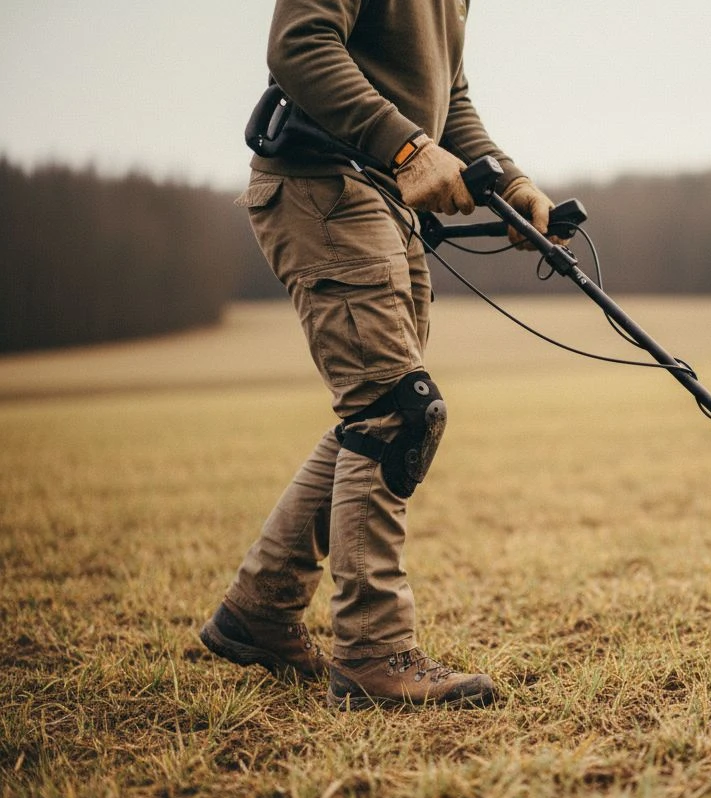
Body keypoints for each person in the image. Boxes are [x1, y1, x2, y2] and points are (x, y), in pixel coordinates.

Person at [200, 0, 557, 709]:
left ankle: (259, 609)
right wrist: (407, 148)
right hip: (322, 185)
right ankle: (371, 652)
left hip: (384, 200)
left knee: (378, 414)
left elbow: (447, 96)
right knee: (397, 410)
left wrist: (506, 179)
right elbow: (299, 46)